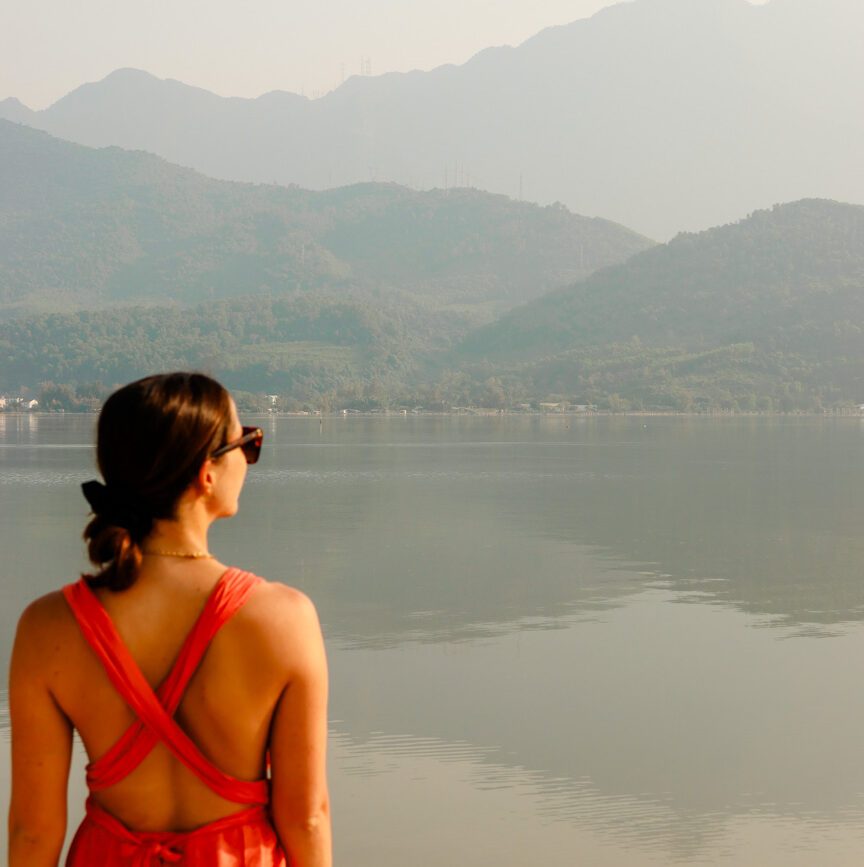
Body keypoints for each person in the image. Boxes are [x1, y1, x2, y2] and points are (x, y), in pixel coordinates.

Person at [8, 372, 331, 866]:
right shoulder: (284, 619)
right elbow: (306, 819)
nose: (249, 458)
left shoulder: (47, 627)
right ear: (207, 472)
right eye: (248, 443)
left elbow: (33, 831)